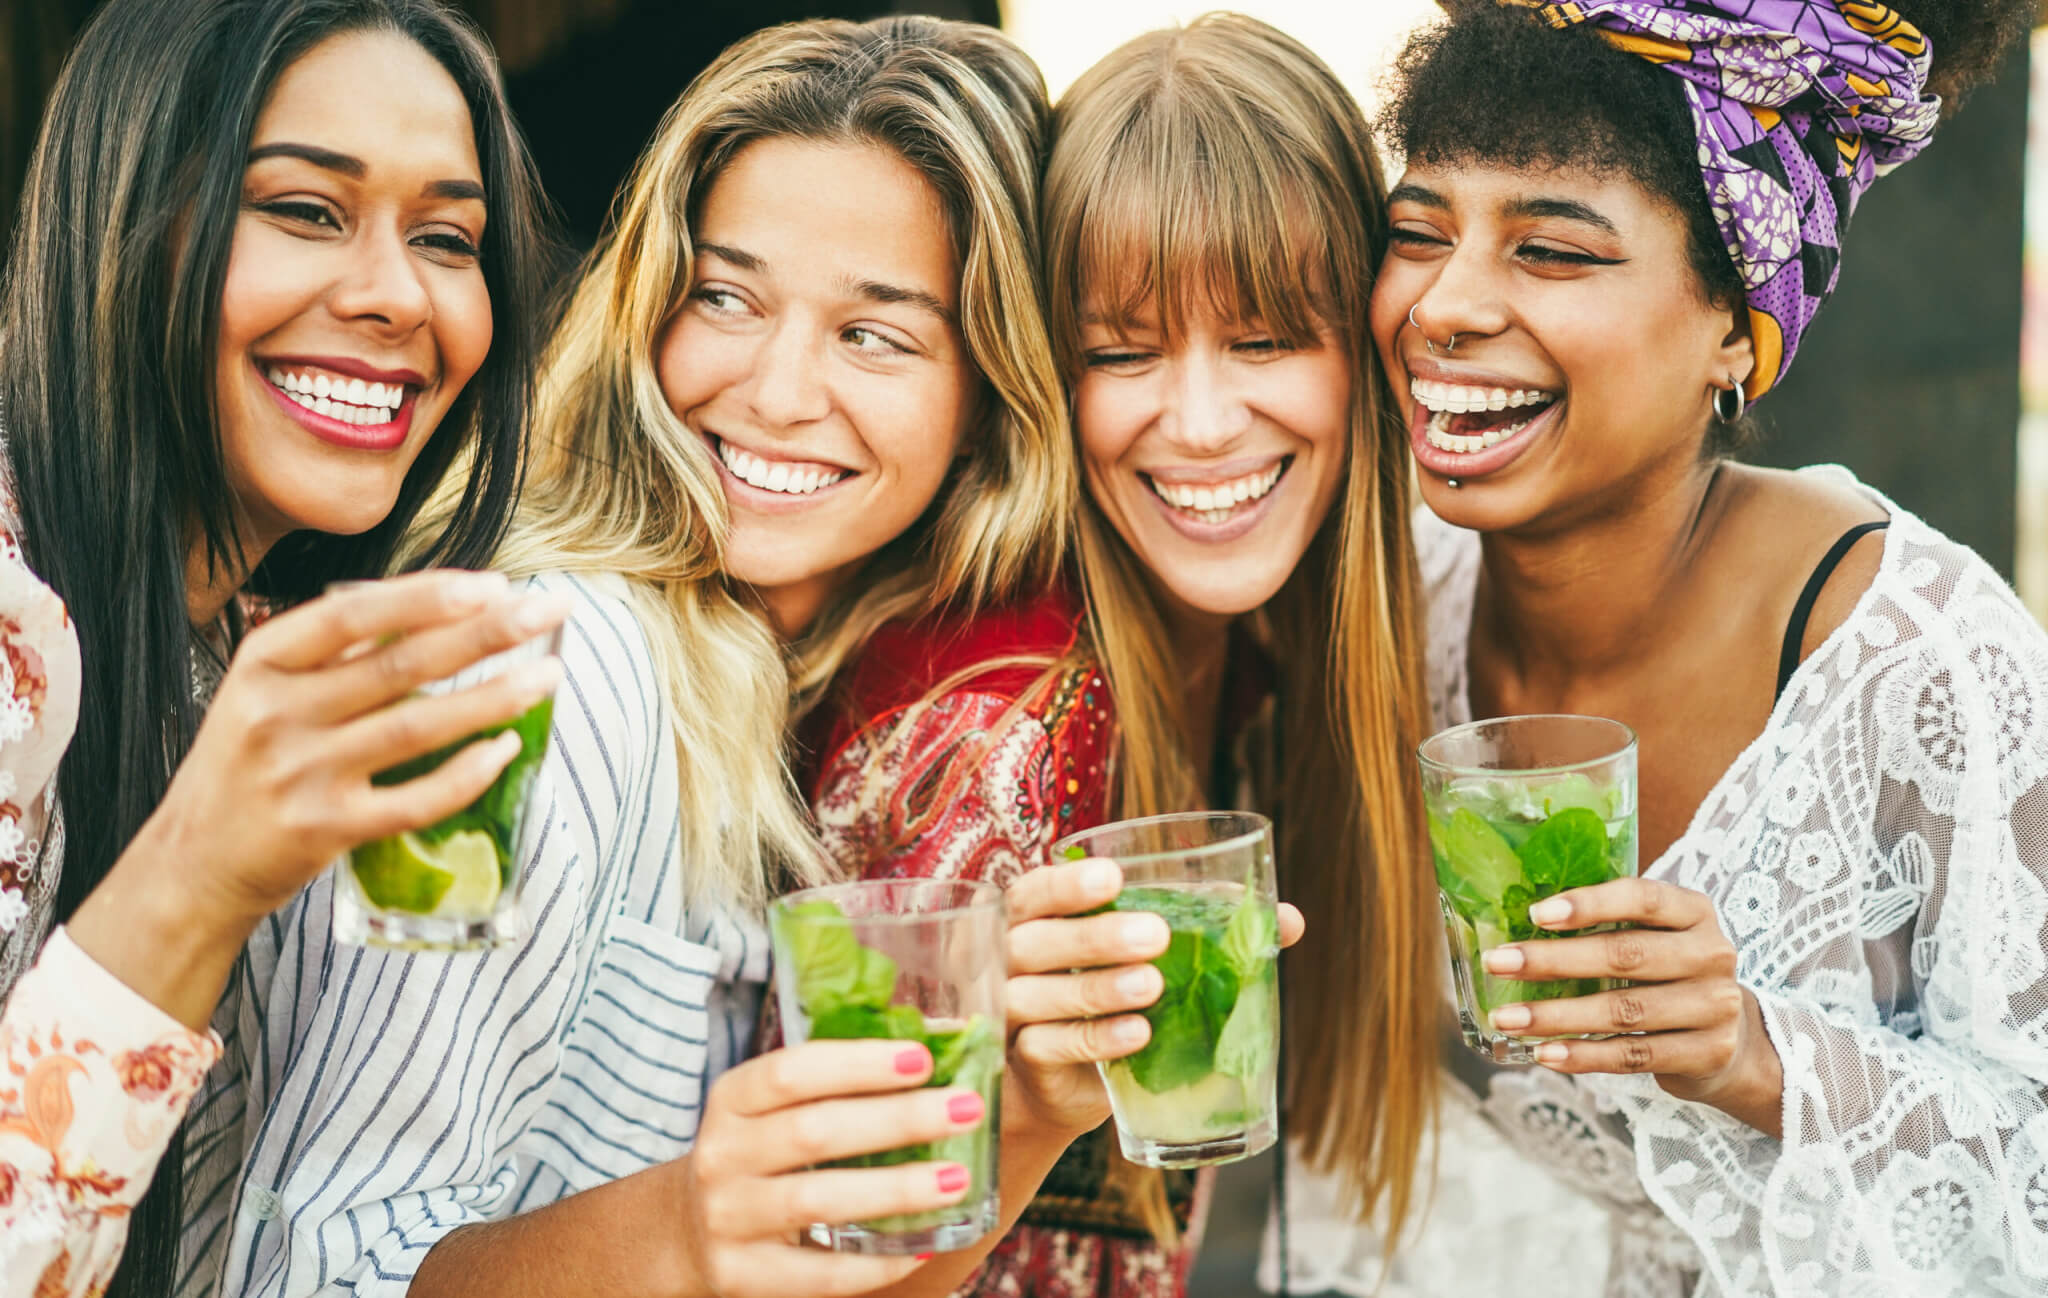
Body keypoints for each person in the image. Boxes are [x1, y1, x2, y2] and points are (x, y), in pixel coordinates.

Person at [206, 18, 1183, 1298]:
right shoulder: (529, 683)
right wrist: (681, 1226)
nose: (776, 390)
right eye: (726, 295)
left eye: (872, 333)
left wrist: (1037, 1109)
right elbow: (301, 1267)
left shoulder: (802, 676)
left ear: (989, 396)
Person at [1271, 2, 2047, 1294]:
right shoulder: (1393, 604)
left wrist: (1752, 1052)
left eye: (1555, 253)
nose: (1442, 307)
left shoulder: (1924, 662)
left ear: (1737, 334)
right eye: (1416, 234)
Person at [805, 15, 1436, 1295]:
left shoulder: (1248, 646)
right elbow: (842, 1265)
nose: (1200, 423)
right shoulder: (992, 731)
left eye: (1264, 338)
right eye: (1121, 350)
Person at [0, 0, 562, 1294]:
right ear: (126, 214)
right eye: (308, 210)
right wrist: (197, 875)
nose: (393, 295)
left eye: (449, 237)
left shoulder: (249, 651)